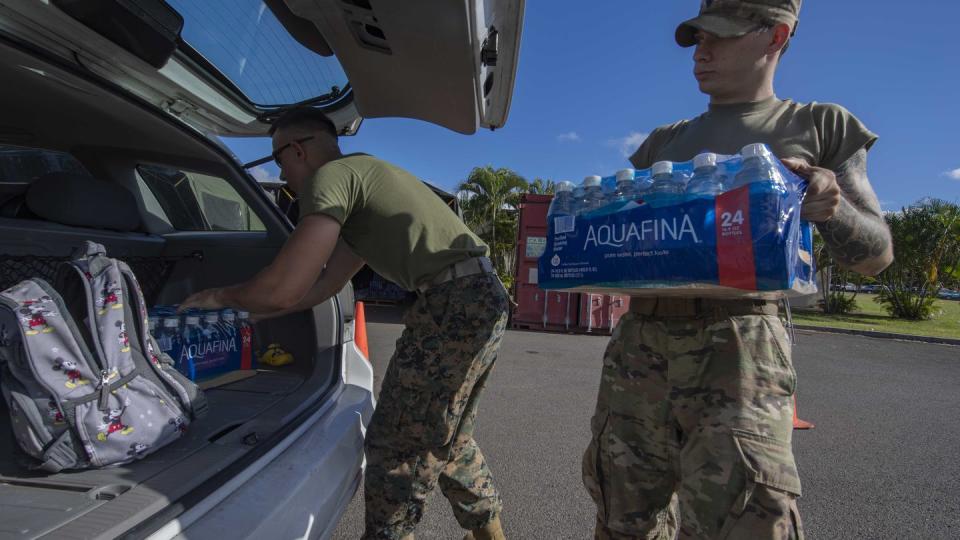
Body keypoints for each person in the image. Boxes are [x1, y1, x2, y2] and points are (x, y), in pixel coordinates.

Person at [581, 1, 894, 538]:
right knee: (622, 517)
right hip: (640, 347)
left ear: (776, 35)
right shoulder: (662, 144)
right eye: (697, 38)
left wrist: (832, 206)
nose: (702, 52)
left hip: (742, 347)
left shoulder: (817, 124)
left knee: (746, 516)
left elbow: (877, 256)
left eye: (719, 37)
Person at [180, 108, 509, 540]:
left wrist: (217, 298)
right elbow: (322, 286)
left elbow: (285, 284)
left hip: (453, 305)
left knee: (396, 447)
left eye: (280, 162)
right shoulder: (364, 179)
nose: (286, 176)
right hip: (480, 296)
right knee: (448, 437)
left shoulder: (331, 179)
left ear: (296, 150)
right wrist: (257, 314)